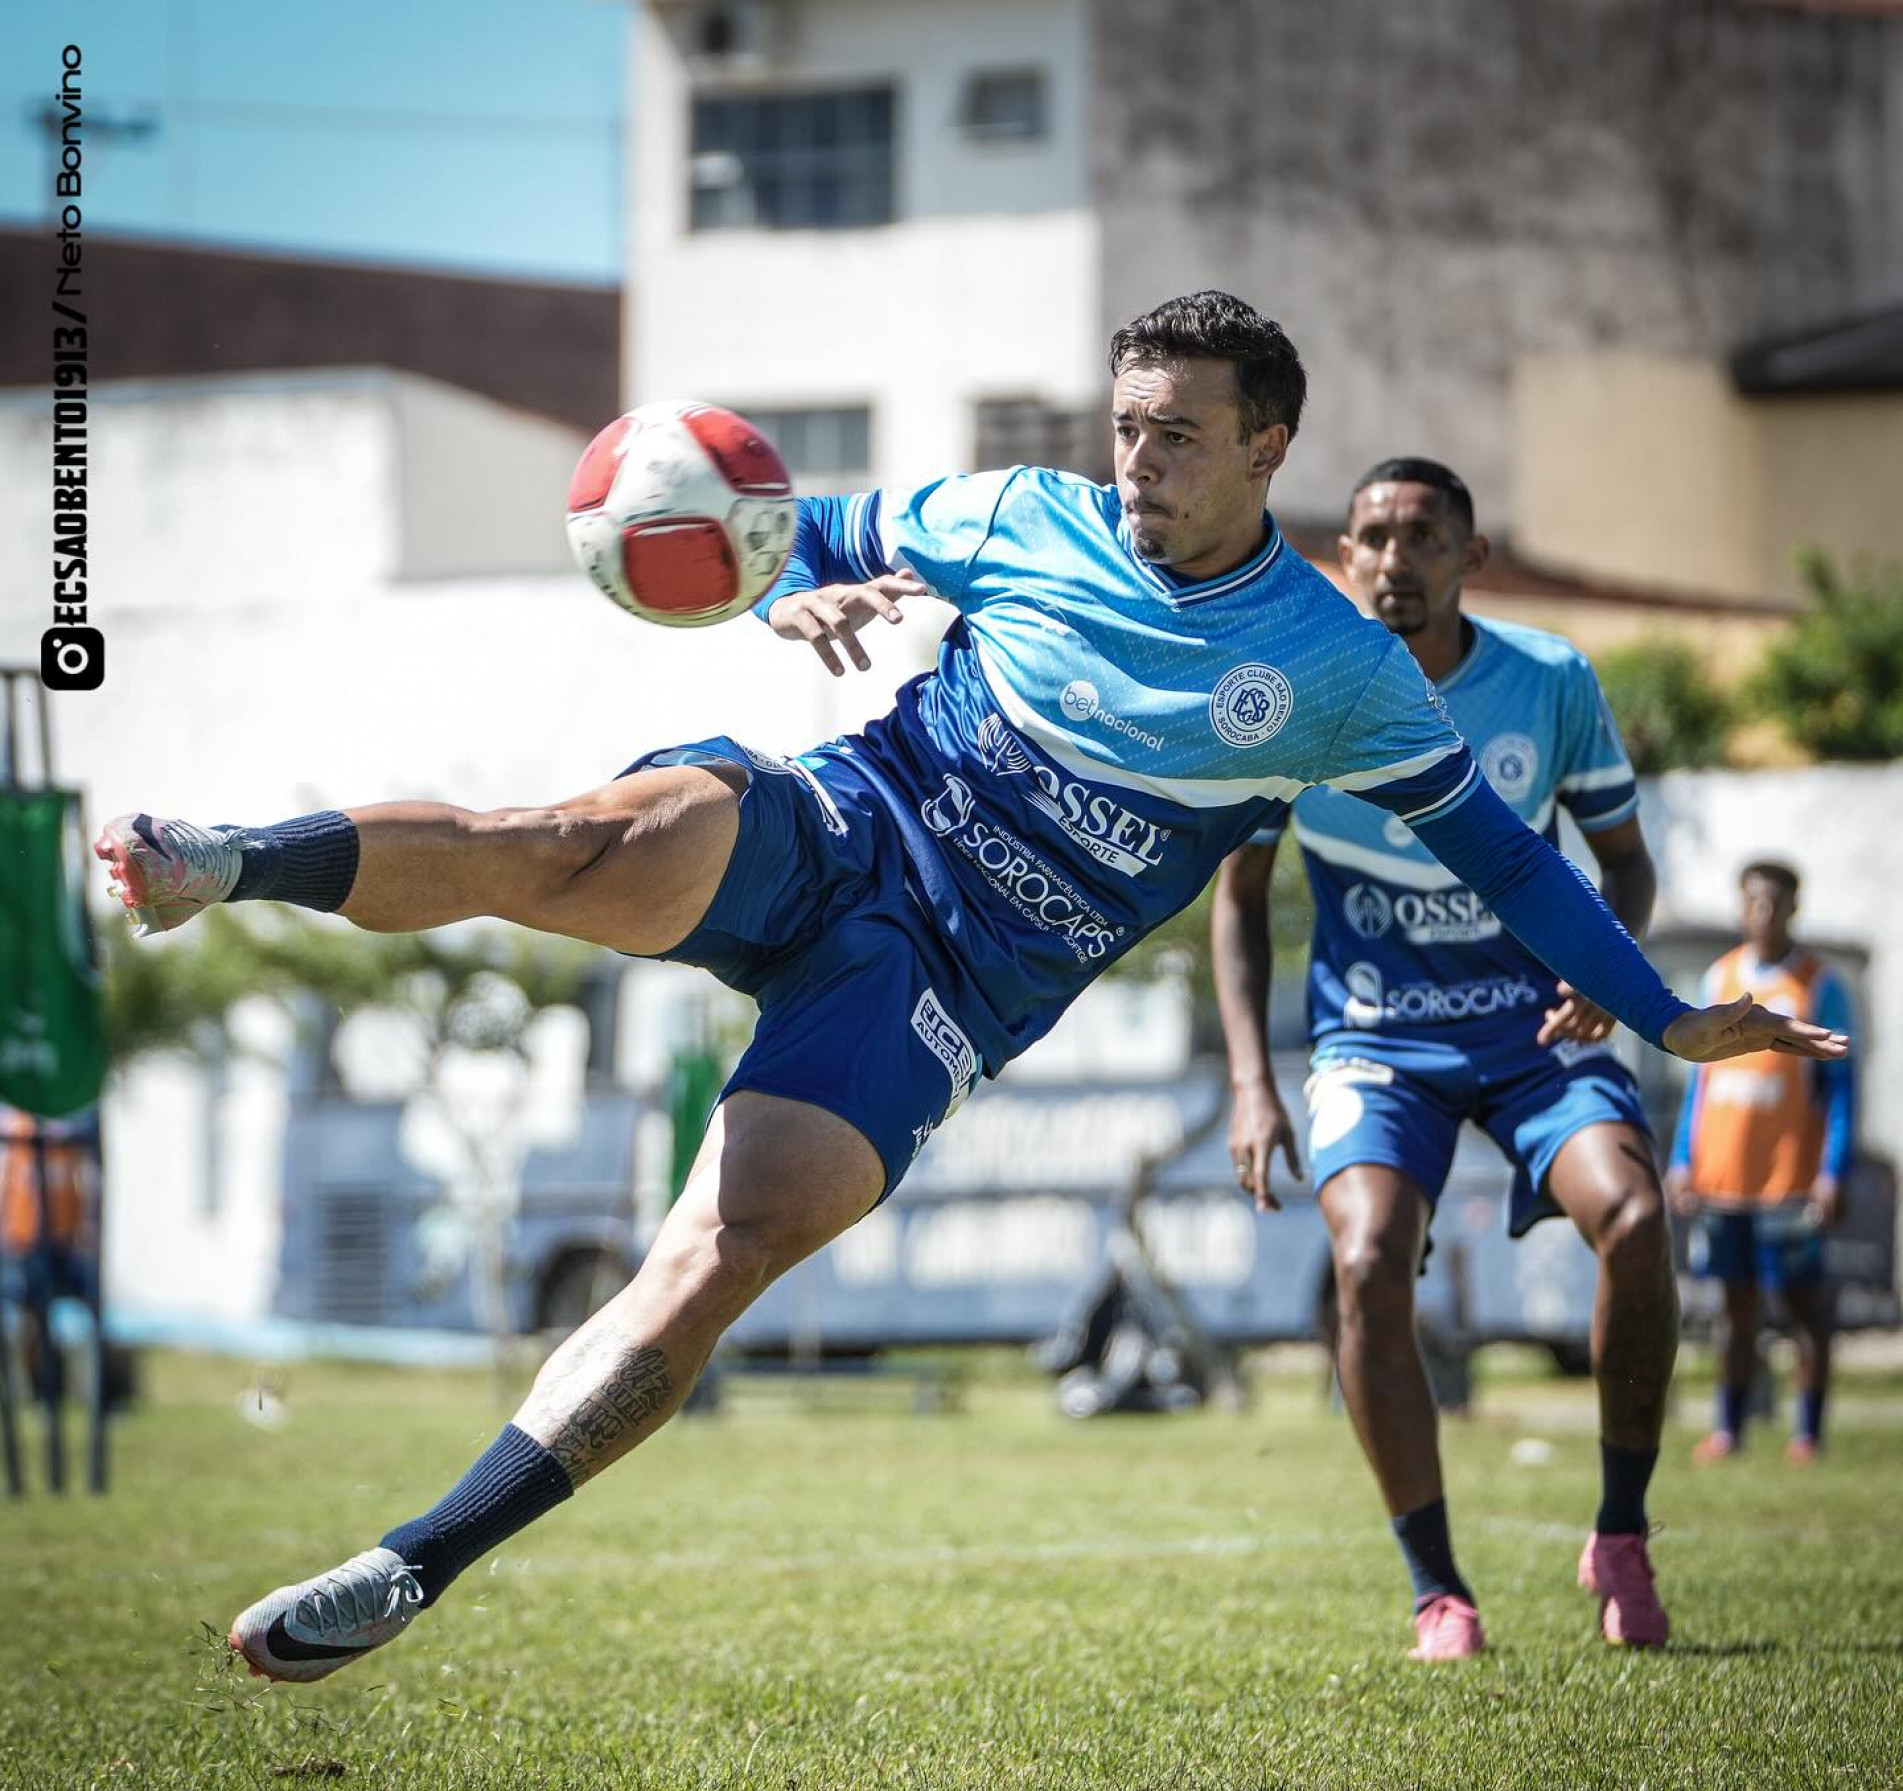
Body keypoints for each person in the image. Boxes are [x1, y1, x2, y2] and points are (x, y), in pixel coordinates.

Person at [95, 293, 1842, 1685]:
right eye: (1125, 427)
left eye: (1175, 433)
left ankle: (413, 1561)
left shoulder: (1341, 672)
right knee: (561, 840)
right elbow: (792, 529)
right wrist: (791, 591)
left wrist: (1661, 1012)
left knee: (723, 1250)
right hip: (841, 831)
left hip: (944, 997)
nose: (1138, 460)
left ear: (1264, 444)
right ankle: (226, 858)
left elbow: (1517, 863)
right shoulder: (1019, 513)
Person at [1211, 458, 1688, 1656]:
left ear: (1470, 559)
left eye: (1422, 537)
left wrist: (1604, 963)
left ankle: (1620, 1531)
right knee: (1367, 1253)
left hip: (1537, 1032)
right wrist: (1250, 1082)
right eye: (1369, 537)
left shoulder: (1548, 681)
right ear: (1342, 558)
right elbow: (1238, 897)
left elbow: (1624, 860)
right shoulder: (1298, 698)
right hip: (1374, 1038)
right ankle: (1439, 1591)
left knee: (1633, 1220)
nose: (1391, 559)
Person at [1670, 862, 1856, 1465]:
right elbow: (1697, 1084)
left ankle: (1808, 1433)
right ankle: (1729, 1429)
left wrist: (1831, 1171)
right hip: (1723, 1179)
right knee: (1734, 1309)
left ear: (1793, 909)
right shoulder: (1720, 976)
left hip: (1789, 1181)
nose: (1764, 913)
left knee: (1802, 1309)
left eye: (1776, 903)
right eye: (1754, 902)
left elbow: (1841, 1090)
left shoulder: (1818, 984)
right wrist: (1682, 1159)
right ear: (1741, 906)